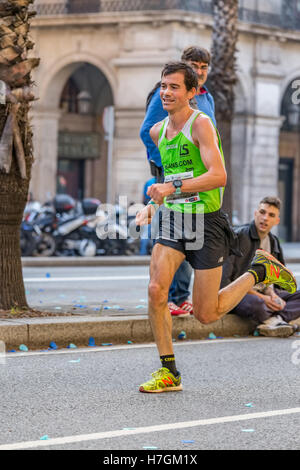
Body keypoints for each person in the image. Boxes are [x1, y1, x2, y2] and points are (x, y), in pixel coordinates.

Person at [135, 61, 297, 393]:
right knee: (155, 291)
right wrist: (154, 205)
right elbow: (170, 179)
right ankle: (169, 371)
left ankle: (258, 271)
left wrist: (171, 190)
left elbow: (218, 176)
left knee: (207, 314)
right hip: (175, 219)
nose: (166, 92)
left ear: (192, 92)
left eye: (174, 87)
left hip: (206, 223)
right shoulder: (157, 132)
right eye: (163, 86)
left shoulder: (201, 124)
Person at [140, 46, 215, 318]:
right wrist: (166, 167)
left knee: (192, 235)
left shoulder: (207, 98)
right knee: (174, 233)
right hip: (172, 176)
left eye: (204, 66)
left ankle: (181, 296)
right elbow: (148, 132)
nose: (200, 70)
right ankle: (172, 296)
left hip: (201, 178)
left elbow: (210, 137)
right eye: (194, 65)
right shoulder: (166, 95)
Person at [221, 196, 300, 337]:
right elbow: (227, 280)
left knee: (292, 295)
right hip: (240, 294)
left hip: (264, 294)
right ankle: (277, 318)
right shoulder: (238, 236)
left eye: (271, 215)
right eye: (262, 212)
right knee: (257, 304)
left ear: (277, 221)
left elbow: (279, 279)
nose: (265, 218)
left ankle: (277, 319)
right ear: (255, 213)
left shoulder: (274, 242)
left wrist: (274, 296)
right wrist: (264, 299)